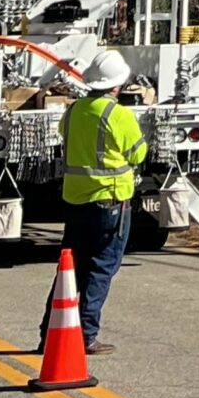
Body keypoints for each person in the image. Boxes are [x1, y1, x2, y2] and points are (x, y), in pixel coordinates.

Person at [38, 46, 147, 354]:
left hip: (75, 200)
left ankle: (50, 333)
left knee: (70, 268)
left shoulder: (74, 111)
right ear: (117, 84)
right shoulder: (119, 115)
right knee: (100, 267)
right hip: (110, 201)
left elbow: (63, 135)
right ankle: (85, 334)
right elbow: (139, 153)